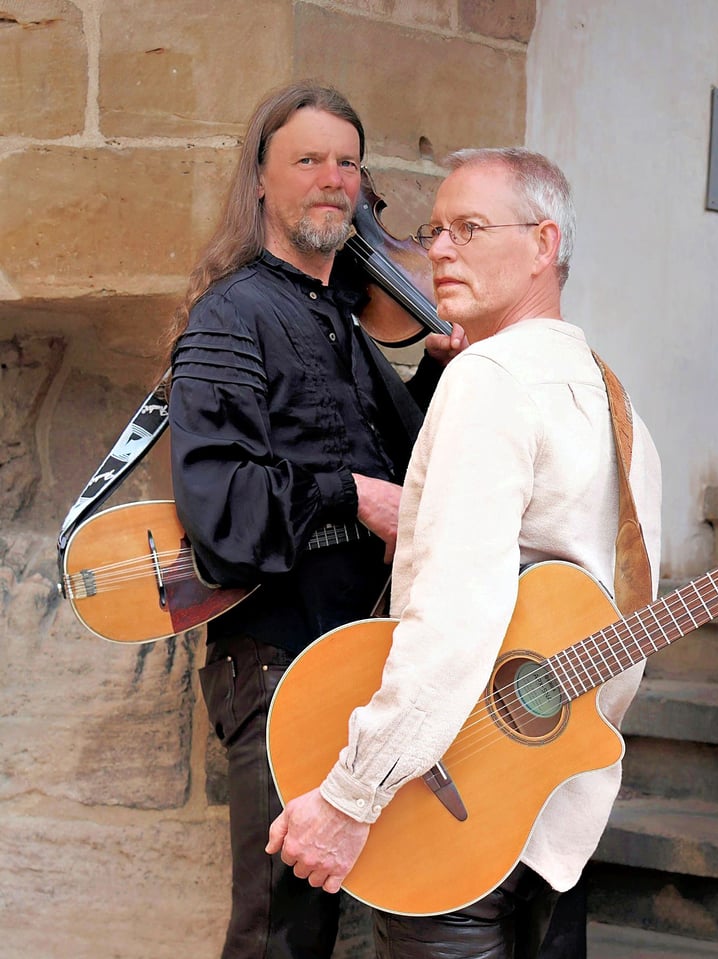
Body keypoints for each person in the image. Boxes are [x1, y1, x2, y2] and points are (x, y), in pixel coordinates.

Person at [266, 147, 663, 958]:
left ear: (544, 243)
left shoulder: (491, 381)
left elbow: (454, 615)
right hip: (546, 805)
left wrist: (350, 796)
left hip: (454, 809)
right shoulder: (607, 390)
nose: (440, 249)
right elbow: (621, 611)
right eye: (436, 227)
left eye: (471, 228)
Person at [165, 82, 463, 959]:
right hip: (278, 668)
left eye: (347, 162)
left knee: (343, 920)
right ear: (259, 180)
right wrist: (352, 495)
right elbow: (220, 512)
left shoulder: (341, 315)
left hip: (360, 658)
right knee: (280, 933)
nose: (332, 179)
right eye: (307, 160)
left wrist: (440, 376)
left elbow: (393, 461)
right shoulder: (233, 316)